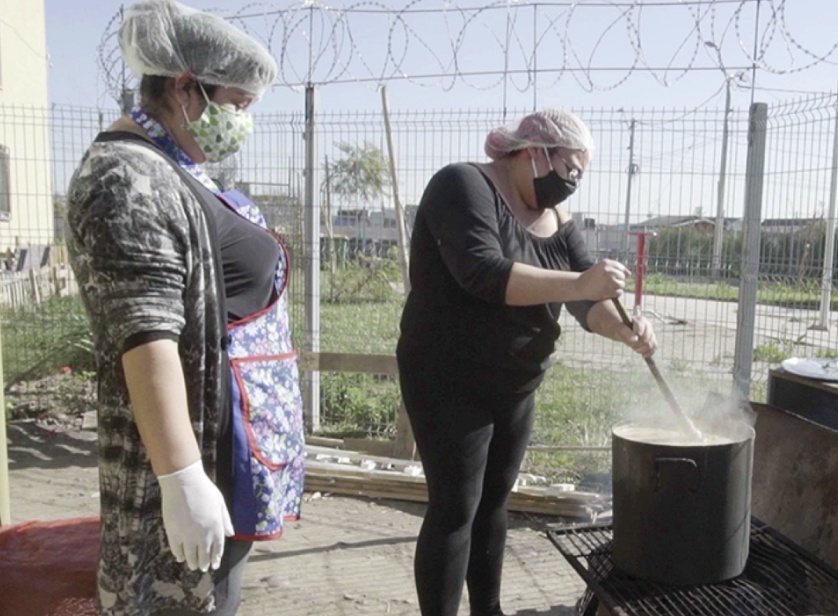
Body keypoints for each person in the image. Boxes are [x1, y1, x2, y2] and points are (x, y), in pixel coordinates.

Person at [66, 1, 305, 614]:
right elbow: (146, 333)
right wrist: (182, 478)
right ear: (185, 88)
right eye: (237, 104)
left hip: (230, 454)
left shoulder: (176, 168)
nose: (243, 121)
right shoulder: (127, 178)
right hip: (195, 461)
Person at [395, 108, 658, 616]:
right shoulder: (462, 185)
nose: (571, 185)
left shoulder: (557, 220)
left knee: (494, 502)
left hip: (516, 384)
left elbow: (588, 302)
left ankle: (488, 610)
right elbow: (482, 271)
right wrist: (581, 284)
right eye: (568, 170)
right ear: (533, 152)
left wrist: (626, 329)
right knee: (455, 507)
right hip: (448, 377)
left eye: (579, 175)